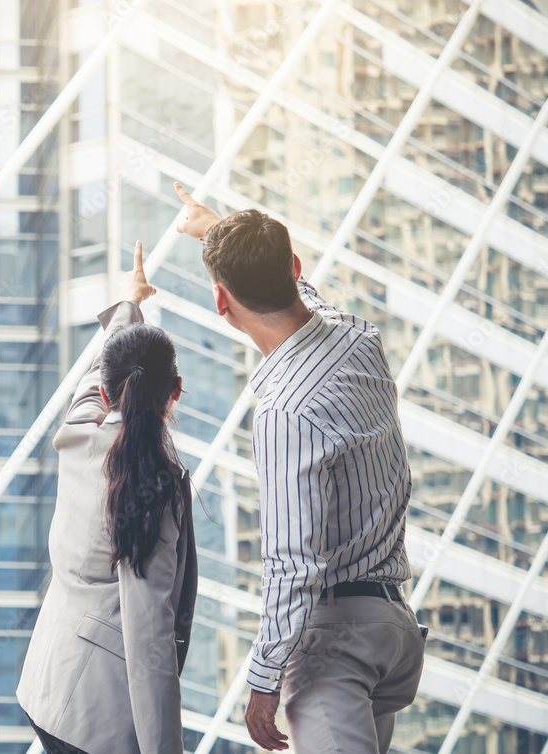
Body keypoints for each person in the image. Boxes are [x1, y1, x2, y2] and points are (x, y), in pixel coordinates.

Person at [174, 181, 425, 753]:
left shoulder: (285, 411)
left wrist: (263, 680)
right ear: (295, 264)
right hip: (392, 632)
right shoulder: (359, 338)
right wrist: (216, 230)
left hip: (337, 644)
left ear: (220, 302)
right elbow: (303, 298)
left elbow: (294, 561)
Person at [17, 242, 198, 754]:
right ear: (176, 391)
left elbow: (105, 363)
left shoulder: (75, 431)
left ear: (102, 393)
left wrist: (128, 301)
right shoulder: (156, 488)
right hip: (100, 719)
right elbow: (149, 640)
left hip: (48, 685)